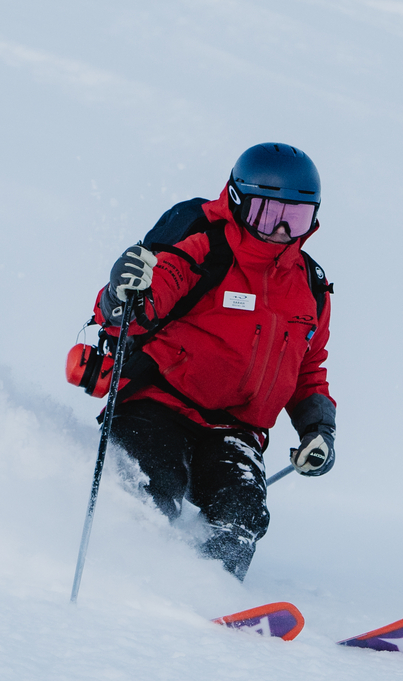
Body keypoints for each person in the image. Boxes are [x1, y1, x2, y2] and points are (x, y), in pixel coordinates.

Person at [90, 142, 336, 579]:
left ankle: (210, 596)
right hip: (160, 403)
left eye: (294, 218)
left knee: (243, 511)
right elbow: (142, 304)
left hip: (236, 427)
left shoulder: (310, 288)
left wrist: (318, 430)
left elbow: (308, 371)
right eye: (267, 214)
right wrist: (124, 294)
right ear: (239, 202)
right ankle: (126, 580)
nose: (280, 230)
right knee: (154, 486)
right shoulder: (206, 249)